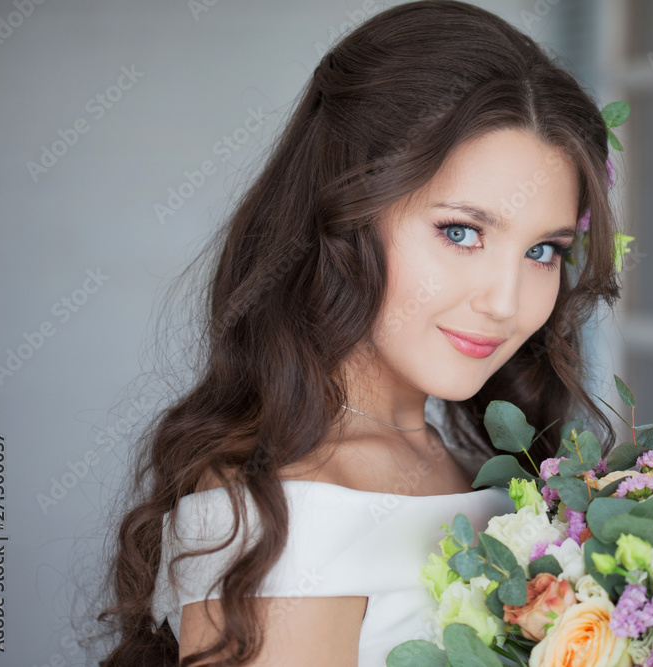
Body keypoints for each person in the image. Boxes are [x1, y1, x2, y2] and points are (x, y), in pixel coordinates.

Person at [95, 1, 624, 664]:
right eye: (461, 232)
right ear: (344, 217)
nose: (505, 301)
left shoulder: (462, 456)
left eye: (544, 250)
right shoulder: (290, 512)